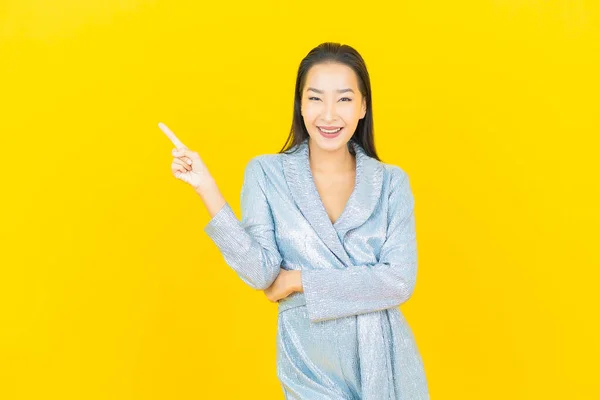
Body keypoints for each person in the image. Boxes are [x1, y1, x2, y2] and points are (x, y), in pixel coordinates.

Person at [166, 42, 429, 399]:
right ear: (300, 105)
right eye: (316, 98)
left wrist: (297, 280)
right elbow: (261, 273)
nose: (329, 115)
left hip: (384, 360)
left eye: (345, 99)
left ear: (364, 106)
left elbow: (399, 280)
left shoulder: (390, 182)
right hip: (308, 362)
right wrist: (208, 190)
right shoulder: (267, 173)